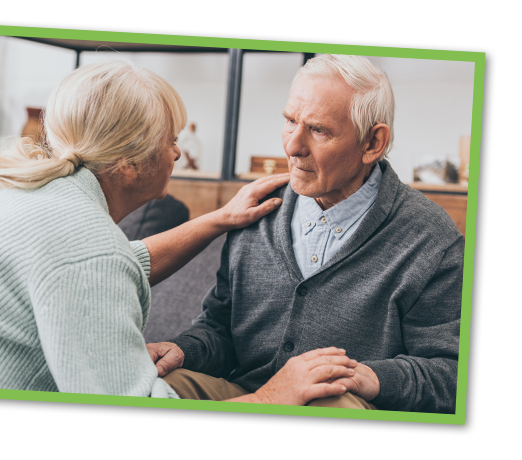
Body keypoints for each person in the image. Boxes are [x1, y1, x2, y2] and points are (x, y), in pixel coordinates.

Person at [0, 59, 358, 403]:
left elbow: (118, 263)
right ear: (128, 164)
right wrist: (273, 397)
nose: (176, 153)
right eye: (170, 140)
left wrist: (219, 218)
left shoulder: (26, 195)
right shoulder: (88, 251)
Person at [147, 55, 464, 413]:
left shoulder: (431, 237)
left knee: (337, 402)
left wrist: (370, 377)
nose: (292, 147)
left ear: (373, 143)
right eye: (289, 121)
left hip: (341, 401)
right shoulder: (256, 209)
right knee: (158, 385)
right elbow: (219, 328)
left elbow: (451, 375)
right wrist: (185, 348)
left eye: (318, 130)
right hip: (243, 392)